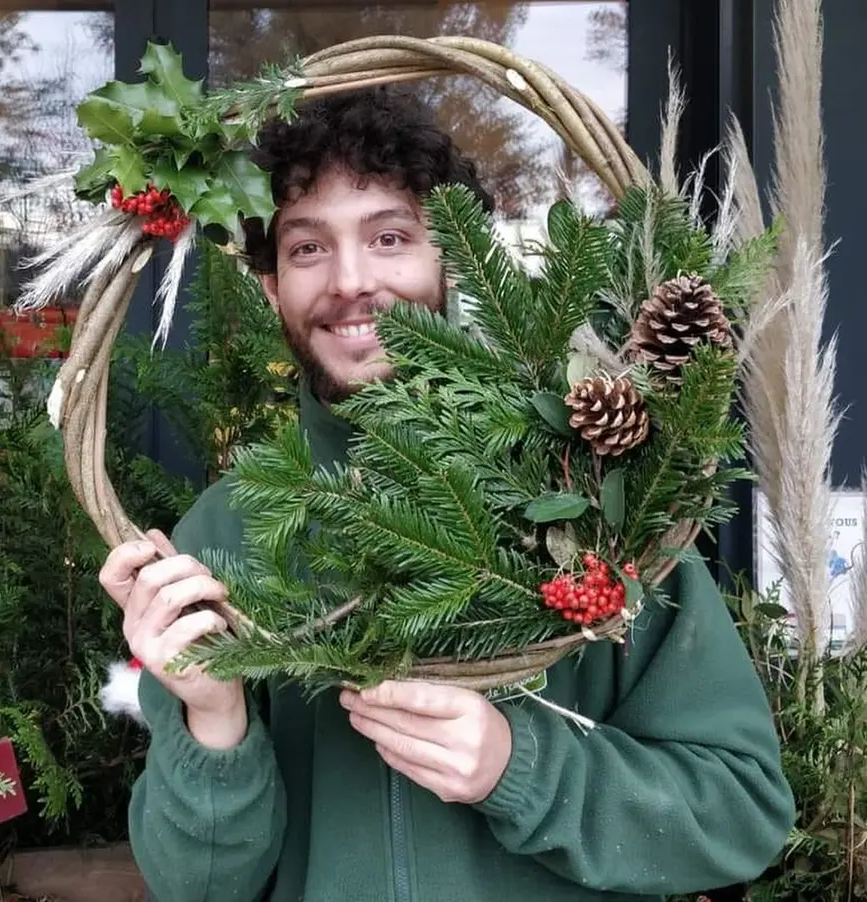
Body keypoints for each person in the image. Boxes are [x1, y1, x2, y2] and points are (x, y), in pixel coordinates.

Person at [98, 87, 794, 902]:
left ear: (454, 259)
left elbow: (743, 813)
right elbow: (199, 887)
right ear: (269, 288)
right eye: (308, 248)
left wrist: (519, 767)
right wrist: (212, 719)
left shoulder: (597, 502)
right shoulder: (216, 538)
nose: (352, 281)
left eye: (390, 237)